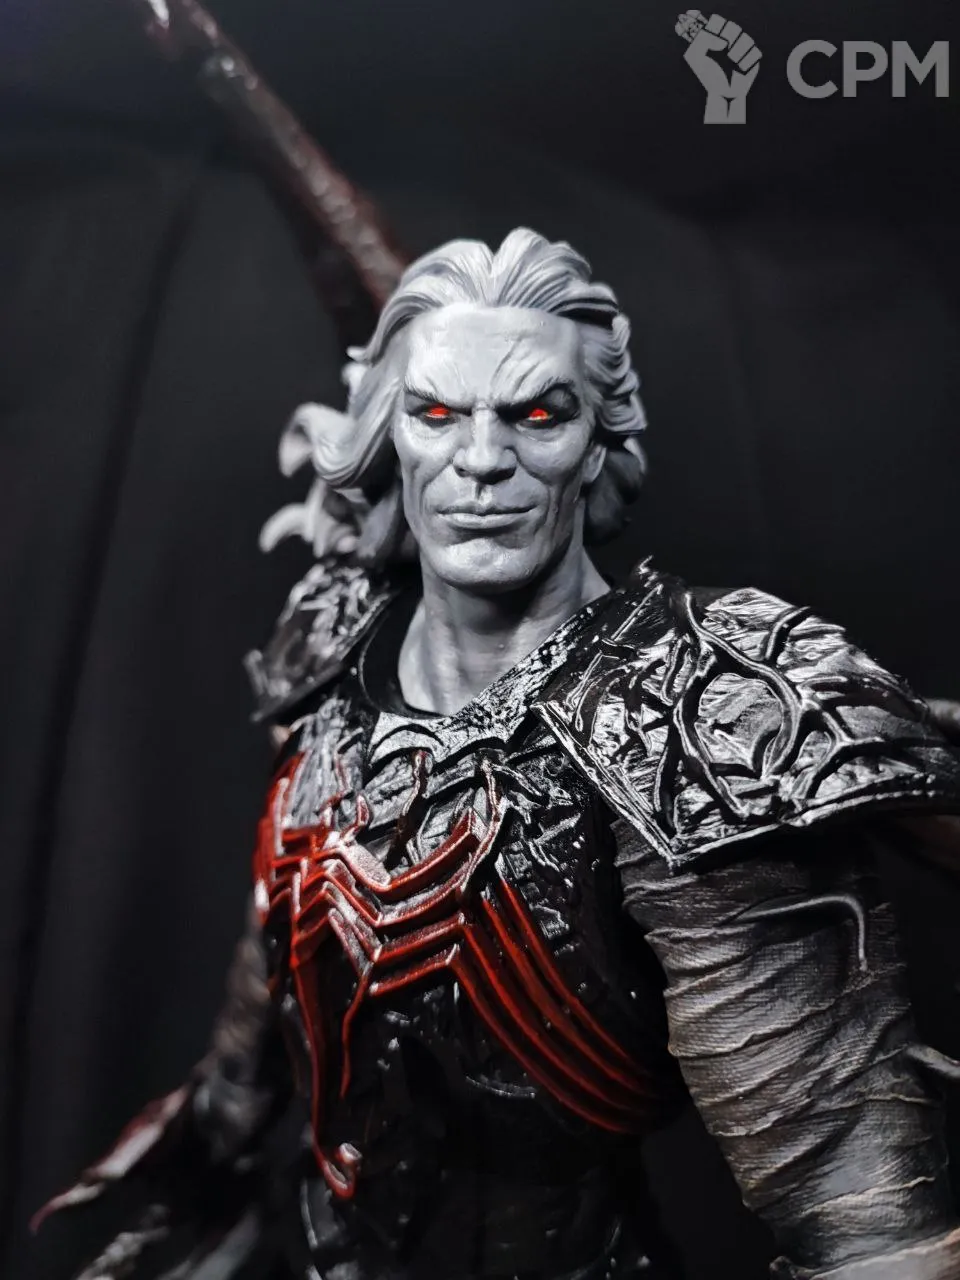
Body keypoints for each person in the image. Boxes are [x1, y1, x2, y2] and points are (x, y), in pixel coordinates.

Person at [41, 229, 960, 1279]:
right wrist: (212, 1152)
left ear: (597, 442)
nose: (481, 460)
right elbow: (279, 949)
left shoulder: (688, 720)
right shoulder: (335, 641)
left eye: (537, 414)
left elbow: (859, 1209)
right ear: (390, 438)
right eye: (437, 414)